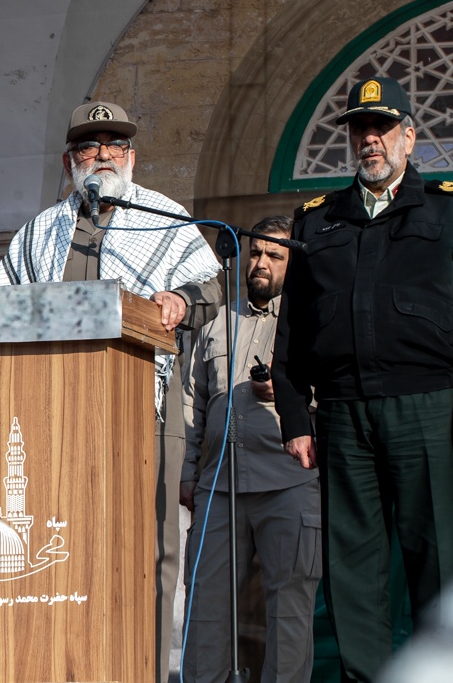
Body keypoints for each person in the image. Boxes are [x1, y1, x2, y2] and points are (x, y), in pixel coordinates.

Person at [0, 100, 221, 681]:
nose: (103, 157)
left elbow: (212, 284)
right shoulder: (42, 228)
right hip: (52, 408)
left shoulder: (166, 217)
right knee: (63, 535)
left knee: (152, 544)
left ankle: (149, 663)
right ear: (70, 161)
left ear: (133, 157)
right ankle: (67, 659)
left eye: (115, 146)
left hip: (144, 402)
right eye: (90, 148)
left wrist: (181, 300)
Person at [272, 76, 453, 682]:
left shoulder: (448, 209)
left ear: (410, 135)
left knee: (439, 561)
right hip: (344, 415)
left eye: (381, 128)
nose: (369, 139)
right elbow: (292, 331)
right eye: (358, 130)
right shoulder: (318, 220)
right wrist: (297, 419)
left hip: (430, 407)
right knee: (353, 570)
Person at [181, 215, 321, 683]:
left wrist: (288, 399)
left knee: (291, 609)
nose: (260, 263)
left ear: (292, 265)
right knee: (205, 604)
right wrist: (186, 473)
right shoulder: (217, 319)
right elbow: (190, 399)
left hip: (290, 481)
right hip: (219, 485)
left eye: (274, 256)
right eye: (255, 253)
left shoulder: (313, 322)